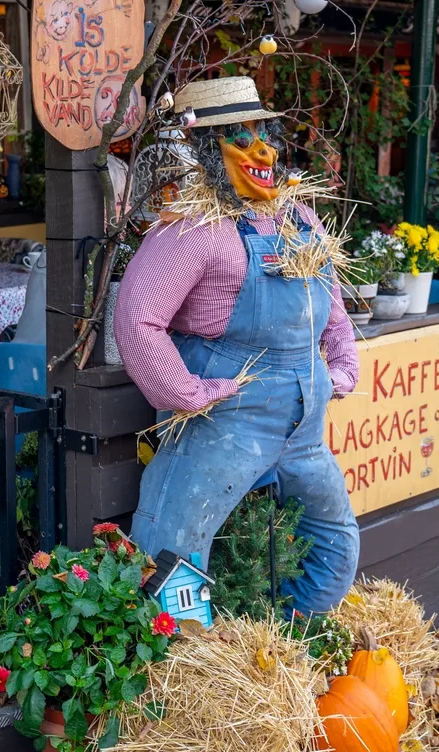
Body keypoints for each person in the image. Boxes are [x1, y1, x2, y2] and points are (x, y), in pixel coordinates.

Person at [113, 77, 360, 615]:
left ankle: (284, 645)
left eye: (264, 134)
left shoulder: (301, 219)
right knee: (174, 549)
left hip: (304, 431)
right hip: (228, 424)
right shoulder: (192, 231)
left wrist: (340, 366)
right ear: (206, 149)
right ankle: (187, 667)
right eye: (242, 139)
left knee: (336, 547)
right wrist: (186, 392)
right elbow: (137, 319)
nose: (264, 150)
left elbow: (332, 310)